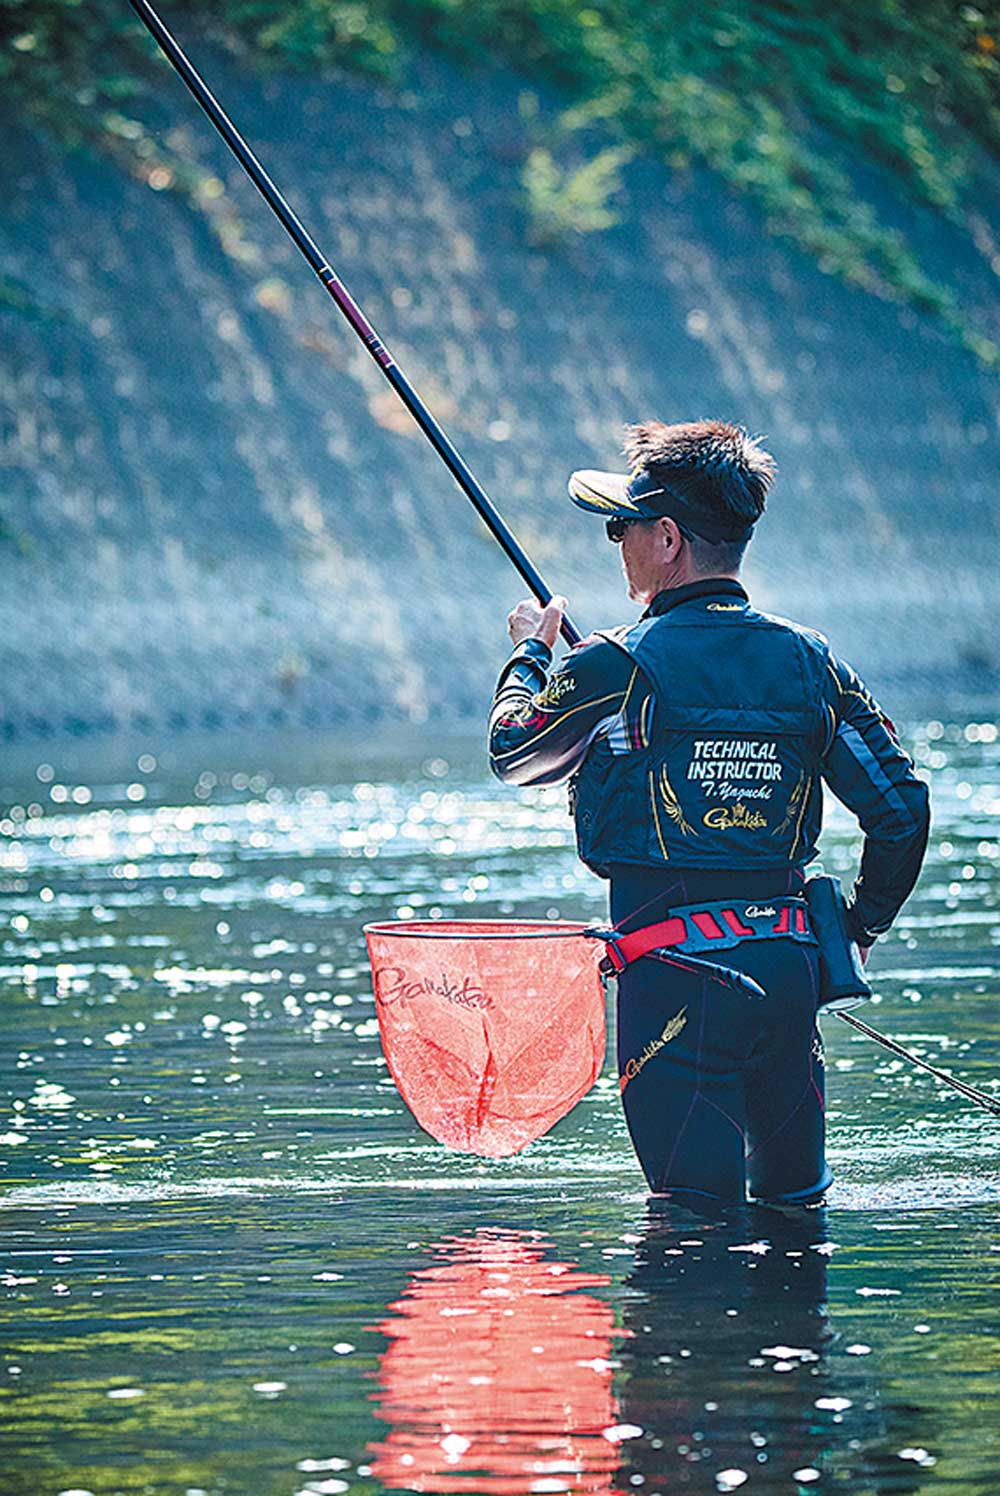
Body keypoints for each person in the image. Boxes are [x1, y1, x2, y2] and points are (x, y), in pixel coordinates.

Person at [488, 419, 930, 1204]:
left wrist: (530, 653)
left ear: (666, 538)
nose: (615, 541)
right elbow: (900, 811)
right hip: (792, 976)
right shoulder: (811, 661)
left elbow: (514, 752)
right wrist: (854, 930)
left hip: (673, 982)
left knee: (692, 1232)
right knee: (797, 1219)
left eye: (621, 526)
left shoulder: (613, 664)